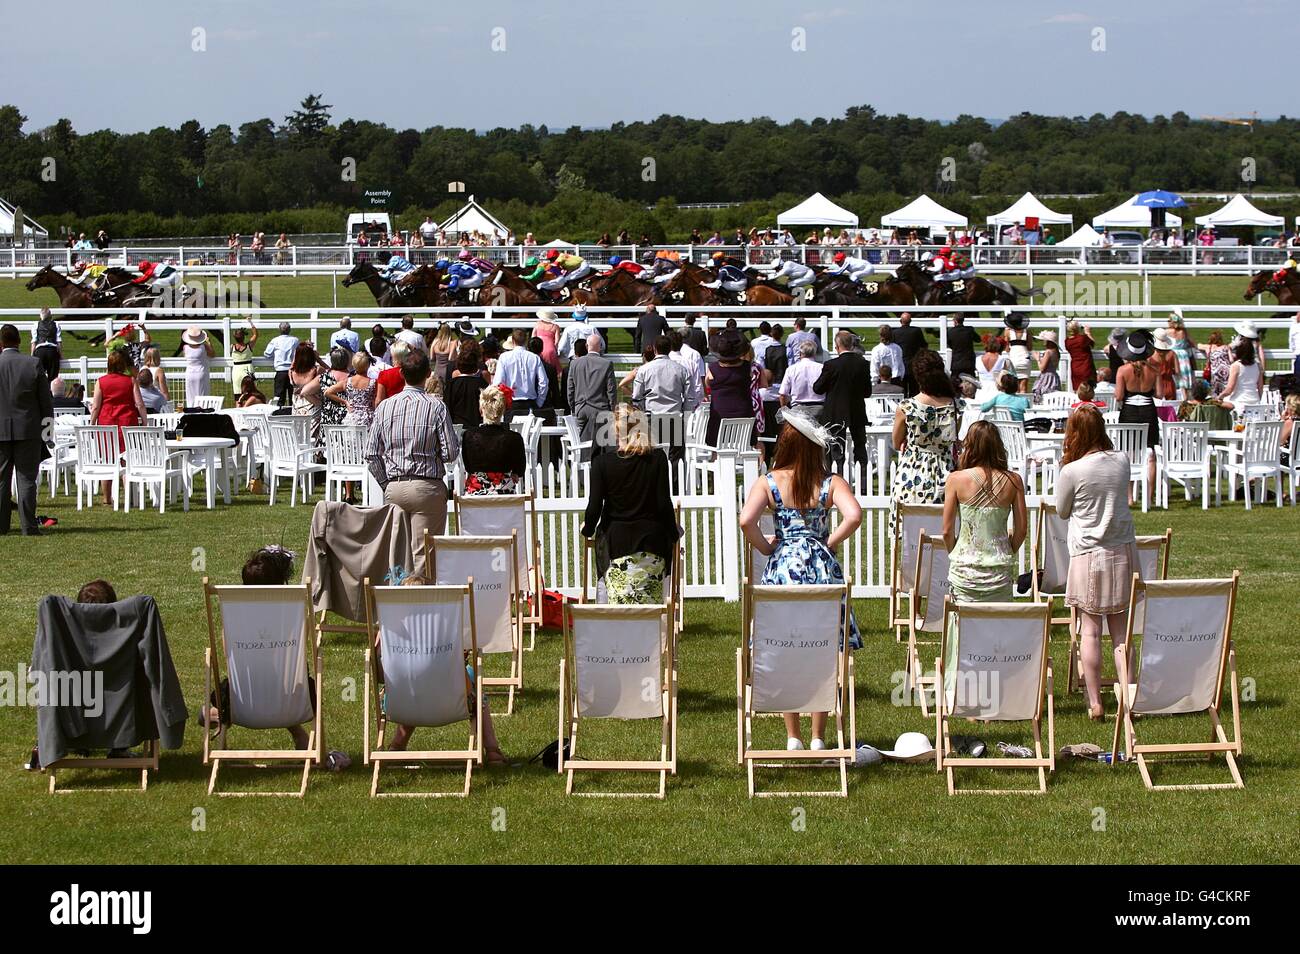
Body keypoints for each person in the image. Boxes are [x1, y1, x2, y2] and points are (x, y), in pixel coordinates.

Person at [738, 409, 862, 751]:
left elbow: (746, 519)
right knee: (822, 648)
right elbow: (854, 515)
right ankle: (819, 735)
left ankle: (793, 736)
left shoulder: (770, 481)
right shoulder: (830, 482)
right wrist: (828, 542)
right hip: (821, 568)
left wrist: (766, 547)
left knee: (784, 647)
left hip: (783, 570)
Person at [1055, 405, 1139, 721]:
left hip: (1089, 552)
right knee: (1121, 633)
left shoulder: (1072, 470)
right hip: (1121, 549)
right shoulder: (1121, 461)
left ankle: (1095, 702)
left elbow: (1062, 510)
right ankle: (1128, 698)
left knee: (1089, 631)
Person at [365, 350, 459, 577]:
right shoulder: (436, 407)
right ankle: (421, 603)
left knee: (396, 553)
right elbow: (451, 452)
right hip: (426, 485)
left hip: (395, 486)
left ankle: (396, 602)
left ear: (401, 373)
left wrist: (386, 483)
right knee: (423, 555)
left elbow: (371, 453)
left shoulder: (385, 407)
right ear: (428, 374)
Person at [581, 405, 679, 604]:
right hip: (653, 543)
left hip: (616, 543)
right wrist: (674, 533)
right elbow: (663, 504)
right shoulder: (658, 459)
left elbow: (594, 507)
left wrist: (587, 528)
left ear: (615, 431)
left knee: (619, 605)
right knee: (649, 603)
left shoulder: (602, 464)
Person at [942, 421, 1026, 602]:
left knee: (963, 623)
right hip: (999, 570)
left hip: (964, 570)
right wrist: (1007, 549)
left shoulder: (955, 479)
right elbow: (1021, 530)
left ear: (970, 446)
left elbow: (947, 531)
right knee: (998, 625)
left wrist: (954, 553)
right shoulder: (1013, 481)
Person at [891, 350, 962, 533]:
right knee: (944, 534)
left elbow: (896, 442)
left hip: (912, 472)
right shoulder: (954, 405)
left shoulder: (907, 407)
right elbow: (953, 439)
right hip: (946, 473)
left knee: (909, 538)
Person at [0, 323, 53, 535]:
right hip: (28, 430)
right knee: (26, 479)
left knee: (2, 480)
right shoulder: (33, 364)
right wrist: (47, 431)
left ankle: (1, 526)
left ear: (1, 343)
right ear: (19, 341)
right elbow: (45, 401)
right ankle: (28, 526)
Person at [90, 348, 147, 505]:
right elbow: (140, 404)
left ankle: (107, 498)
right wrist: (145, 421)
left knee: (107, 461)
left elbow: (95, 406)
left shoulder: (101, 381)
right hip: (127, 423)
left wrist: (92, 423)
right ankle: (128, 496)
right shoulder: (131, 381)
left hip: (107, 422)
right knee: (126, 461)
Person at [814, 330, 872, 478]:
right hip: (856, 410)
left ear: (837, 346)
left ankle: (837, 478)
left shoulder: (831, 365)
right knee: (860, 447)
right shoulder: (863, 364)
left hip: (836, 411)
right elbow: (867, 392)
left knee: (836, 448)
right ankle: (863, 481)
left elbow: (818, 388)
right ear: (852, 345)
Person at [1113, 331, 1160, 499]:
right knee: (1150, 454)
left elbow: (1118, 396)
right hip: (1149, 411)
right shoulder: (1154, 370)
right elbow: (1160, 394)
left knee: (1128, 454)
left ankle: (1130, 496)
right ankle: (1149, 495)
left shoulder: (1123, 370)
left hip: (1129, 412)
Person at [461, 385, 527, 495]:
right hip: (504, 494)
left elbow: (468, 467)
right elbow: (519, 470)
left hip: (476, 495)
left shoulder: (469, 436)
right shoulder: (514, 438)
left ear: (481, 410)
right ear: (503, 410)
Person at [567, 333, 617, 460]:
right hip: (600, 408)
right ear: (600, 347)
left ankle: (582, 468)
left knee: (580, 441)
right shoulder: (606, 364)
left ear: (586, 345)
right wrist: (612, 408)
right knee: (604, 443)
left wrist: (574, 407)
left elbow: (570, 389)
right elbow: (611, 390)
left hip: (581, 408)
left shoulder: (575, 363)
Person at [705, 329, 754, 445]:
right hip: (744, 415)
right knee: (745, 446)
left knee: (716, 450)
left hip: (719, 416)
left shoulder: (713, 369)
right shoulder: (747, 368)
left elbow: (707, 384)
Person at [492, 329, 548, 416]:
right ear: (526, 341)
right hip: (530, 402)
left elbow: (498, 382)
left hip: (512, 403)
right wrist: (539, 402)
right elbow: (543, 382)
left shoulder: (504, 357)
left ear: (513, 341)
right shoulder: (534, 357)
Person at [632, 335, 689, 416]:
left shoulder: (643, 370)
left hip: (651, 416)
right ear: (670, 349)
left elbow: (637, 396)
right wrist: (685, 412)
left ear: (655, 349)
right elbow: (689, 397)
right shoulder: (681, 370)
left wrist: (642, 411)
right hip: (675, 417)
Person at [446, 343, 489, 429]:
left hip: (458, 427)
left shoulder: (453, 384)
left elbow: (447, 408)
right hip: (478, 427)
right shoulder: (482, 383)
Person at [779, 338, 824, 412]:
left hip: (798, 409)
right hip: (819, 408)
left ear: (800, 353)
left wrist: (785, 412)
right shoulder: (822, 368)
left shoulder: (791, 369)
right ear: (814, 353)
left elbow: (783, 395)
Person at [1220, 338, 1264, 410]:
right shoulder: (1258, 366)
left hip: (1239, 402)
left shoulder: (1236, 366)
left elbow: (1229, 389)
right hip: (1255, 402)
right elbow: (1260, 387)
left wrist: (1219, 397)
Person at [263, 322, 299, 406]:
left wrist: (275, 357)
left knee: (279, 397)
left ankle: (279, 415)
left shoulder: (275, 340)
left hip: (280, 371)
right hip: (292, 371)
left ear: (279, 330)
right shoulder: (295, 340)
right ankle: (293, 415)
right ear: (289, 330)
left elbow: (267, 354)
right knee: (293, 397)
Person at [180, 326, 214, 407]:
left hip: (190, 374)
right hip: (201, 372)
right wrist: (209, 343)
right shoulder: (204, 347)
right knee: (202, 396)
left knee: (190, 397)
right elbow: (212, 354)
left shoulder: (185, 347)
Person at [1166, 312, 1199, 395]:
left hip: (1173, 355)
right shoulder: (1183, 331)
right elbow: (1192, 342)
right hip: (1184, 355)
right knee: (1184, 380)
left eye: (1169, 320)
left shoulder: (1167, 331)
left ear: (1172, 322)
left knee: (1174, 377)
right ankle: (1185, 398)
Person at [30, 307, 61, 384]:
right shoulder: (56, 325)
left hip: (40, 351)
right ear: (50, 316)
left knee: (39, 378)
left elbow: (34, 342)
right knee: (53, 379)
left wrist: (32, 355)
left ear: (41, 316)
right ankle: (52, 394)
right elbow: (59, 342)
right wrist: (60, 355)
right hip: (52, 352)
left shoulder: (36, 325)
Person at [1003, 313, 1032, 393]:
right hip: (1025, 359)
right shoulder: (1027, 332)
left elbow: (1007, 349)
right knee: (1024, 386)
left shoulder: (1008, 332)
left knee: (1014, 385)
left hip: (1013, 359)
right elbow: (1030, 347)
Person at [945, 314, 978, 384]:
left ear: (955, 321)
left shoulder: (951, 332)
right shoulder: (969, 330)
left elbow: (949, 344)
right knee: (971, 382)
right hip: (969, 361)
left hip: (956, 362)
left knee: (955, 383)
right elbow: (978, 339)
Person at [227, 320, 258, 392]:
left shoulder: (232, 347)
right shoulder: (249, 346)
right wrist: (251, 322)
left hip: (236, 372)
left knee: (238, 395)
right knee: (250, 394)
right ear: (244, 336)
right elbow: (255, 334)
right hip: (248, 370)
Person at [1064, 321, 1096, 390]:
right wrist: (1087, 332)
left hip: (1075, 367)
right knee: (1088, 389)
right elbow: (1092, 343)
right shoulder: (1082, 339)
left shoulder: (1067, 342)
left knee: (1077, 389)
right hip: (1086, 366)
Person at [1032, 330, 1062, 400]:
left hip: (1046, 378)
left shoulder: (1048, 352)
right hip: (1054, 376)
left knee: (1043, 396)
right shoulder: (1056, 352)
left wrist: (1038, 358)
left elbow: (1042, 368)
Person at [1149, 329, 1178, 400]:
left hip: (1155, 385)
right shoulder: (1172, 354)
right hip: (1169, 385)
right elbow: (1177, 372)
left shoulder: (1150, 356)